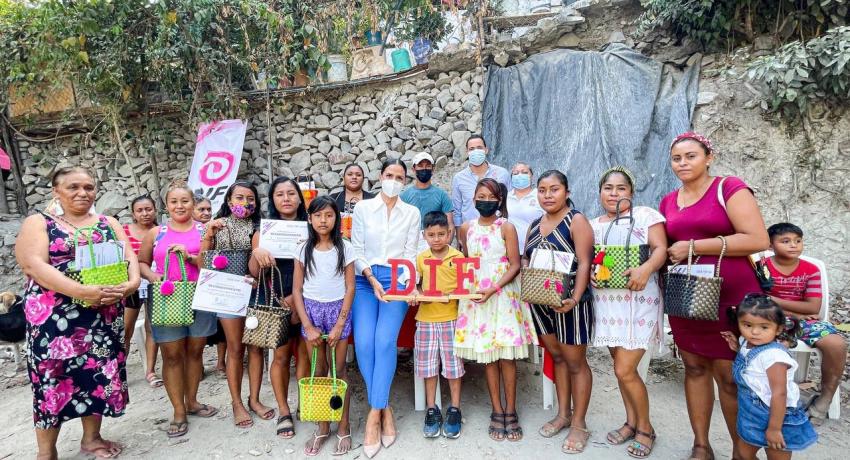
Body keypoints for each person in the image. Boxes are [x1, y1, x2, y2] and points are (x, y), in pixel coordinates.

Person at [16, 166, 140, 459]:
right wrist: (82, 292)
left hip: (101, 317)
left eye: (89, 187)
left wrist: (131, 283)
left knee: (96, 376)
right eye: (73, 187)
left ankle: (92, 438)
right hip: (55, 322)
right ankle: (46, 452)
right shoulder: (40, 222)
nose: (83, 193)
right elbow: (33, 264)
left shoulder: (107, 222)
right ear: (55, 191)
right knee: (51, 382)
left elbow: (129, 255)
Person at [659, 132, 770, 460]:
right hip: (686, 296)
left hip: (730, 297)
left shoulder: (729, 188)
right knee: (693, 368)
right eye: (677, 158)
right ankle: (701, 446)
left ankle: (741, 452)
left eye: (691, 156)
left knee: (730, 377)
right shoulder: (669, 200)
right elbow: (666, 249)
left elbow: (757, 239)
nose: (683, 163)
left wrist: (694, 246)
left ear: (709, 157)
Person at [589, 166, 667, 457]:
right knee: (621, 370)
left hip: (639, 301)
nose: (614, 193)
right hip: (608, 304)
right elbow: (591, 259)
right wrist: (595, 274)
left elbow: (660, 248)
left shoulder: (645, 216)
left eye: (621, 188)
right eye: (608, 188)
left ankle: (646, 428)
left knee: (625, 368)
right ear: (600, 193)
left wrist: (646, 268)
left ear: (631, 193)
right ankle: (631, 421)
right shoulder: (594, 224)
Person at [454, 178, 537, 443]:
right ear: (473, 199)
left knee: (507, 357)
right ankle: (496, 410)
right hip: (478, 296)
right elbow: (467, 261)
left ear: (499, 200)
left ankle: (511, 410)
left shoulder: (507, 227)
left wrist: (494, 288)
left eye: (491, 196)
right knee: (488, 356)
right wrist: (472, 289)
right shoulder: (466, 228)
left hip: (503, 295)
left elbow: (515, 265)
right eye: (480, 196)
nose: (485, 201)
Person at [350, 158, 421, 458]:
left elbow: (412, 252)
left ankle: (372, 417)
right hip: (365, 280)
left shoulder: (412, 212)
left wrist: (408, 283)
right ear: (380, 177)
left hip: (398, 279)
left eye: (399, 176)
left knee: (384, 341)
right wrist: (370, 278)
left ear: (405, 181)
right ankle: (385, 406)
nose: (394, 180)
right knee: (365, 344)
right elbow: (357, 249)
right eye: (389, 175)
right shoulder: (363, 208)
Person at [138, 182, 218, 438]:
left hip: (199, 296)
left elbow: (213, 263)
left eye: (185, 201)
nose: (180, 206)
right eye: (174, 202)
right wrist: (154, 278)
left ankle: (192, 401)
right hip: (166, 298)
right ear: (167, 206)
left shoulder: (205, 231)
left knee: (195, 352)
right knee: (172, 355)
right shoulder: (156, 233)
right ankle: (178, 410)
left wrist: (190, 258)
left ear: (193, 204)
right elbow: (141, 262)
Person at [522, 170, 594, 453]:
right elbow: (526, 258)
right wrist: (526, 268)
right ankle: (563, 415)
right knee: (558, 358)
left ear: (566, 191)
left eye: (554, 189)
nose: (548, 195)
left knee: (576, 362)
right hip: (540, 302)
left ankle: (579, 424)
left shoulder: (576, 220)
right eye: (542, 190)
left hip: (569, 303)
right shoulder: (533, 225)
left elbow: (585, 263)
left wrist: (574, 298)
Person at [200, 181, 273, 428]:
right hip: (226, 293)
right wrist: (209, 234)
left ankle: (254, 399)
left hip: (253, 291)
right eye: (239, 197)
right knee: (235, 349)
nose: (245, 203)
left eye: (250, 199)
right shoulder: (216, 226)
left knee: (256, 348)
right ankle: (236, 403)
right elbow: (202, 263)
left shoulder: (259, 226)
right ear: (229, 200)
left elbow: (260, 258)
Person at [291, 196, 355, 456]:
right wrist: (307, 325)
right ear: (310, 219)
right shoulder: (303, 249)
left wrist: (340, 324)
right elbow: (296, 290)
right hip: (312, 312)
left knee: (339, 371)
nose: (323, 220)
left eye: (328, 215)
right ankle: (322, 426)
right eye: (317, 215)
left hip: (338, 311)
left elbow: (350, 287)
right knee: (319, 370)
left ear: (336, 218)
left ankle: (343, 426)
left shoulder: (345, 248)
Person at [765, 222, 847, 425]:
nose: (794, 245)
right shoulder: (761, 268)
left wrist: (775, 301)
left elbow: (813, 307)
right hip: (768, 320)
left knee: (836, 344)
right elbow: (757, 301)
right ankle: (761, 399)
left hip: (803, 320)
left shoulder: (810, 270)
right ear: (770, 245)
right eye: (785, 241)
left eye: (798, 241)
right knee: (761, 340)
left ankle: (823, 401)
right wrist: (791, 311)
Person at [248, 176, 309, 439]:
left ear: (299, 197)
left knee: (306, 355)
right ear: (272, 200)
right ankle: (284, 411)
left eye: (291, 193)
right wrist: (257, 254)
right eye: (280, 194)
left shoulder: (312, 226)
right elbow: (255, 274)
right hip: (275, 300)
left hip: (307, 298)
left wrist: (297, 299)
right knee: (281, 357)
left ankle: (304, 404)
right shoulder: (263, 232)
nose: (286, 198)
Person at [721, 294, 818, 459]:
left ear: (778, 329)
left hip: (776, 415)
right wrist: (738, 349)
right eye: (747, 325)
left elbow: (779, 393)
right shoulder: (746, 342)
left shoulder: (774, 357)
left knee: (776, 455)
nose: (754, 332)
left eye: (764, 327)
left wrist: (774, 428)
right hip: (751, 413)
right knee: (742, 454)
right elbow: (754, 367)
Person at [411, 212, 465, 439]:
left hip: (452, 319)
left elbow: (466, 287)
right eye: (431, 235)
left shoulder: (459, 257)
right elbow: (416, 285)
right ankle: (432, 408)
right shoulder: (421, 258)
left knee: (453, 367)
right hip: (426, 320)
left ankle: (454, 408)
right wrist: (415, 293)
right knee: (428, 367)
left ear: (449, 234)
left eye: (441, 234)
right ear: (424, 235)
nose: (436, 239)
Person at [122, 195, 162, 388]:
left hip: (155, 284)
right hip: (131, 286)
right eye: (140, 210)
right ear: (133, 214)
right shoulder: (124, 232)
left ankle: (150, 371)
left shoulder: (161, 231)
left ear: (155, 210)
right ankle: (119, 373)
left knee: (151, 327)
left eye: (148, 209)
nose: (145, 213)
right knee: (126, 330)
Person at [194, 195, 228, 375]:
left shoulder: (217, 227)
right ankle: (197, 364)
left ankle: (221, 362)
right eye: (201, 209)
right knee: (199, 328)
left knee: (221, 324)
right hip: (196, 282)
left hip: (217, 279)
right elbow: (198, 257)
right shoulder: (191, 231)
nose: (206, 213)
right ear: (192, 210)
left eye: (208, 209)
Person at [450, 134, 510, 229]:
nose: (476, 151)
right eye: (472, 149)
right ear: (467, 152)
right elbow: (457, 211)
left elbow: (509, 203)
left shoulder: (502, 174)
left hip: (497, 230)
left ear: (486, 150)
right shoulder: (459, 178)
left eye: (479, 147)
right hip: (470, 232)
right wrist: (460, 236)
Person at [400, 152, 454, 250]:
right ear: (413, 169)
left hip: (435, 241)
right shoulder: (404, 196)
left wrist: (445, 247)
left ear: (433, 169)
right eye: (420, 166)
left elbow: (449, 224)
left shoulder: (442, 195)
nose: (424, 169)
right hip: (411, 243)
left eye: (428, 166)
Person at [506, 162, 543, 253]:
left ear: (532, 176)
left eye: (524, 172)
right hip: (509, 251)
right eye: (516, 173)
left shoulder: (540, 196)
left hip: (535, 249)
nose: (520, 175)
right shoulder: (505, 197)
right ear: (512, 177)